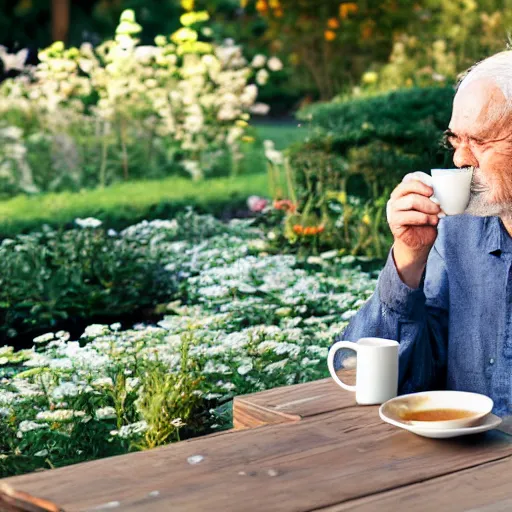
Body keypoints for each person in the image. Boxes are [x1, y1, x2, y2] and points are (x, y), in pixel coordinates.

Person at [332, 51, 512, 416]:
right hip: (459, 464)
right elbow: (377, 378)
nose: (460, 159)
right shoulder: (458, 230)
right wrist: (408, 260)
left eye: (479, 140)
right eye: (455, 140)